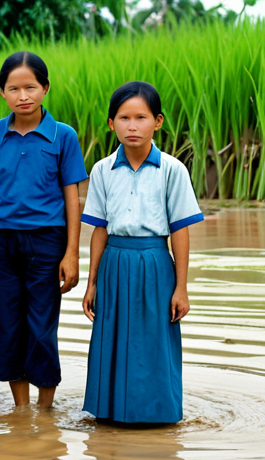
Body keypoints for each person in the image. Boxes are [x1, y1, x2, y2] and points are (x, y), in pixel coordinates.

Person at [0, 51, 88, 408]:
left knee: (41, 326)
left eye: (31, 87)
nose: (23, 96)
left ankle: (46, 408)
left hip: (47, 242)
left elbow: (72, 198)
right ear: (2, 93)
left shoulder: (62, 137)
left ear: (45, 88)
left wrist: (71, 253)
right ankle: (21, 409)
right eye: (13, 89)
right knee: (8, 324)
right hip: (2, 244)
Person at [81, 81, 204, 423]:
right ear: (111, 124)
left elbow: (180, 230)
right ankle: (109, 413)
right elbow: (99, 229)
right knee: (111, 337)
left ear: (158, 122)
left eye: (141, 117)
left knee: (154, 341)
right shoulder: (103, 170)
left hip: (155, 262)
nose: (132, 126)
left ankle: (158, 414)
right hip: (114, 263)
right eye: (123, 118)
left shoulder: (172, 170)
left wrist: (181, 287)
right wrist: (91, 283)